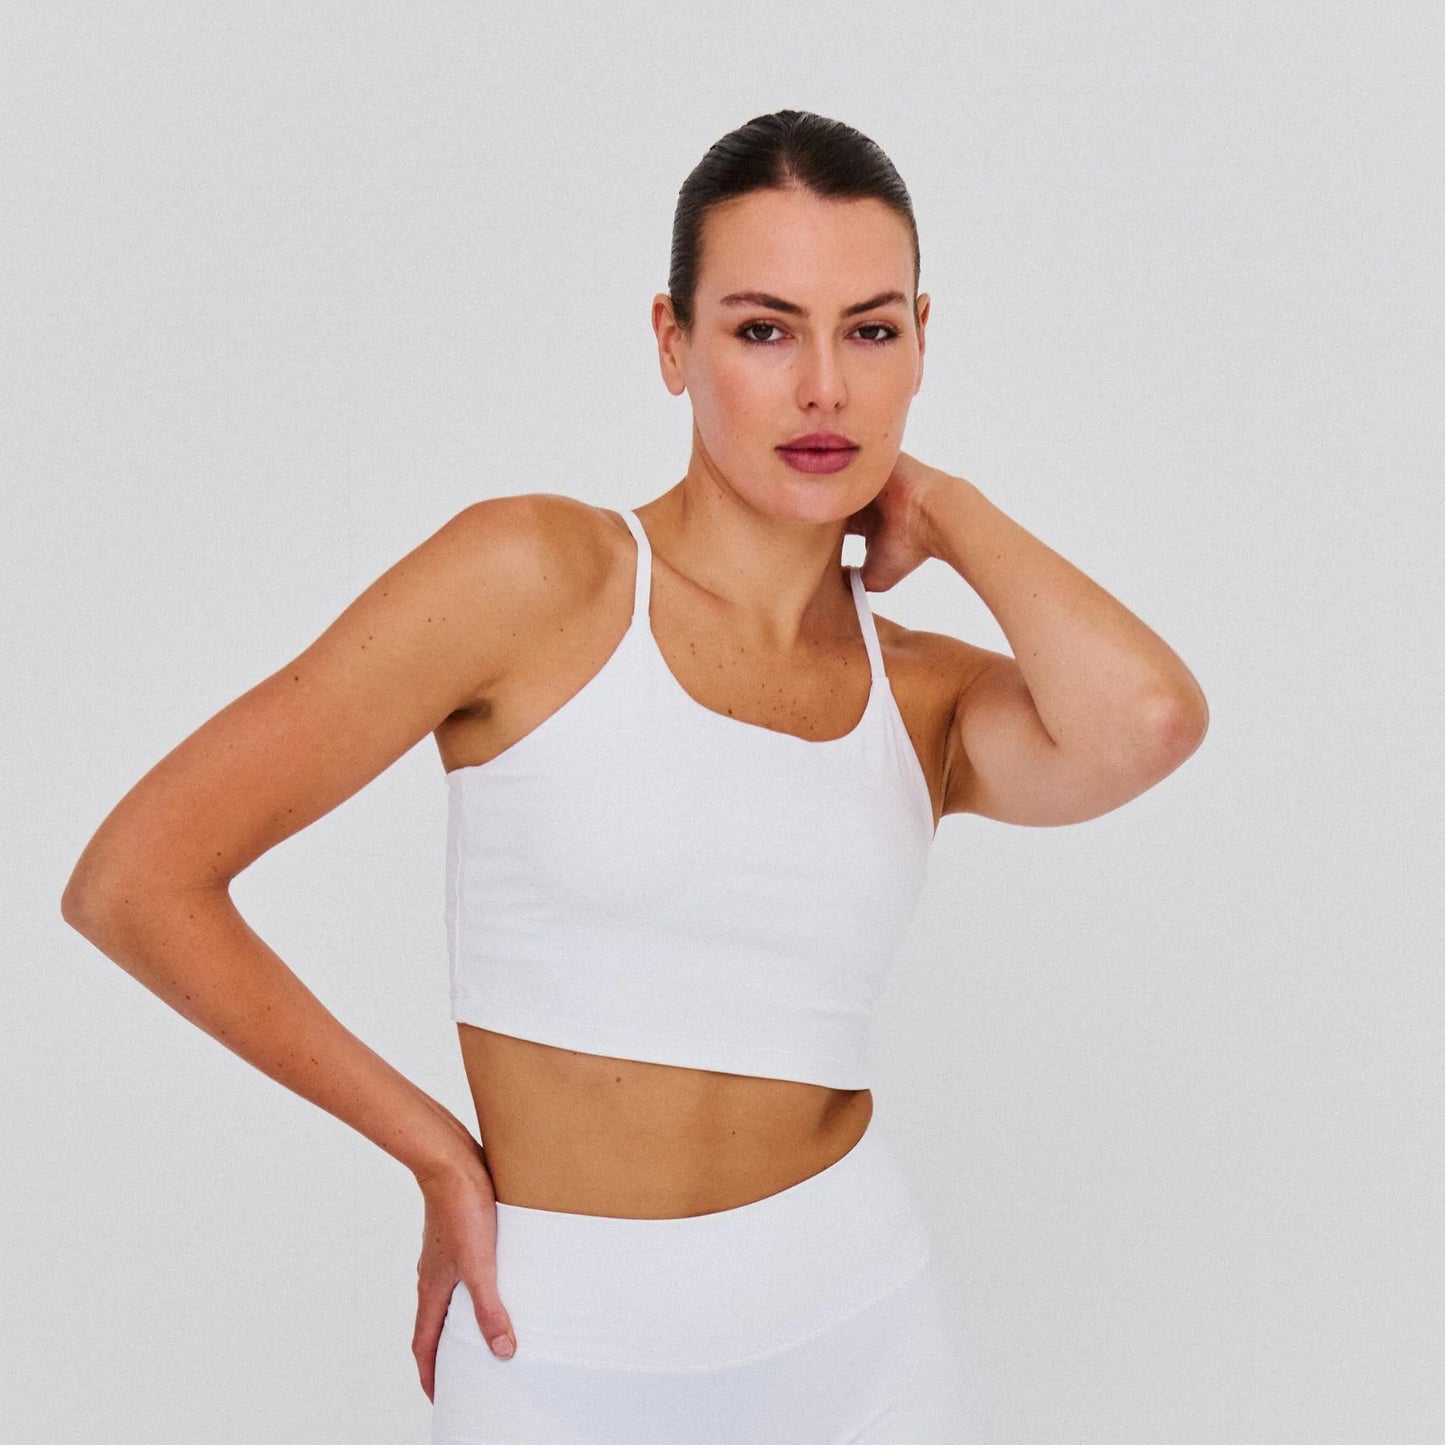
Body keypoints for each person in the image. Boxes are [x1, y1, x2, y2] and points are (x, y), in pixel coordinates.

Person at [61, 109, 1209, 1443]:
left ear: (919, 345)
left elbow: (1146, 721)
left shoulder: (924, 695)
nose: (823, 388)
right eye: (764, 329)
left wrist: (947, 510)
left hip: (858, 1328)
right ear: (672, 342)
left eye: (870, 330)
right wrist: (435, 1152)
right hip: (554, 1339)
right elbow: (136, 881)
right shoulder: (535, 578)